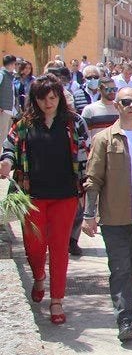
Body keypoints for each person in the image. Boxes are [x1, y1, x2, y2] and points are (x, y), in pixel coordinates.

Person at [0, 75, 90, 326]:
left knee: (59, 248)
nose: (48, 103)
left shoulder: (74, 123)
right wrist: (6, 161)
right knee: (34, 246)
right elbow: (9, 148)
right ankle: (39, 276)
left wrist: (86, 189)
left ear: (60, 97)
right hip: (32, 196)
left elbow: (85, 156)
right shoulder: (24, 124)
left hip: (65, 196)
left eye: (53, 97)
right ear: (35, 99)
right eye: (42, 98)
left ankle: (57, 300)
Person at [81, 87, 132, 341]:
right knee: (120, 268)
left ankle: (130, 303)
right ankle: (125, 318)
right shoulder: (104, 139)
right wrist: (89, 214)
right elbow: (93, 179)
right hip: (114, 215)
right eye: (126, 102)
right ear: (117, 105)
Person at [0, 54, 18, 142]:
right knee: (2, 136)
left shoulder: (10, 76)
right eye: (15, 64)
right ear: (11, 64)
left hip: (9, 110)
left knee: (6, 136)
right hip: (3, 110)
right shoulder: (1, 75)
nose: (16, 66)